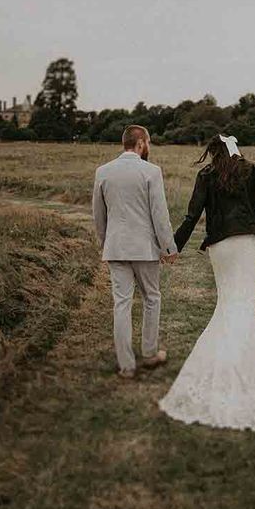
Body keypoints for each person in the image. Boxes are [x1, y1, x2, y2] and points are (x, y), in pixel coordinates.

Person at [158, 134, 255, 431]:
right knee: (245, 302)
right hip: (248, 242)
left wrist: (174, 247)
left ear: (215, 152)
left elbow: (192, 215)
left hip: (220, 246)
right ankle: (237, 366)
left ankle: (227, 364)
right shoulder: (254, 171)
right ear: (236, 149)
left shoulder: (207, 175)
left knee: (227, 302)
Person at [91, 125, 178, 379]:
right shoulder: (151, 172)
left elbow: (99, 214)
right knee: (152, 298)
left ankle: (126, 366)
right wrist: (168, 247)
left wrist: (107, 241)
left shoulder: (103, 172)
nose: (148, 146)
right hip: (145, 249)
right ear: (140, 143)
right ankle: (150, 353)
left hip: (116, 247)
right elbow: (159, 214)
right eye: (148, 141)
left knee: (121, 304)